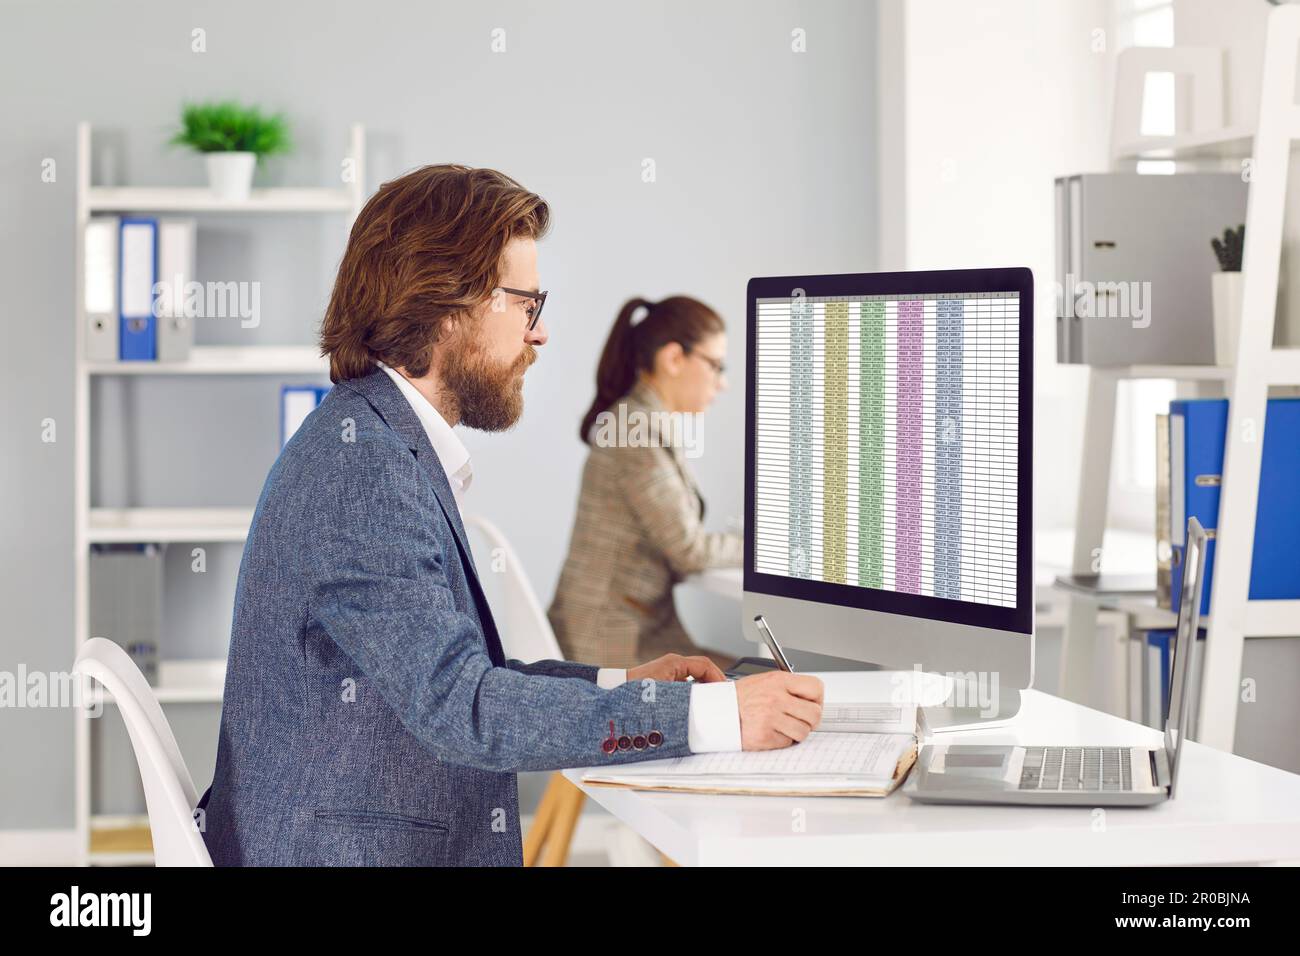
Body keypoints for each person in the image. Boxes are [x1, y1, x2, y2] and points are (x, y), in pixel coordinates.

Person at [195, 164, 823, 866]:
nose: (542, 333)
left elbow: (459, 680)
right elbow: (464, 708)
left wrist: (622, 683)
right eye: (528, 305)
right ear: (446, 305)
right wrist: (715, 717)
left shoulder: (372, 440)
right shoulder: (363, 470)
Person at [549, 297, 742, 670]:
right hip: (609, 644)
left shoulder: (635, 421)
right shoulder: (634, 432)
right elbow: (690, 550)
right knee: (760, 683)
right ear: (673, 359)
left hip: (620, 630)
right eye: (716, 366)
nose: (724, 383)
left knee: (756, 679)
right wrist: (769, 548)